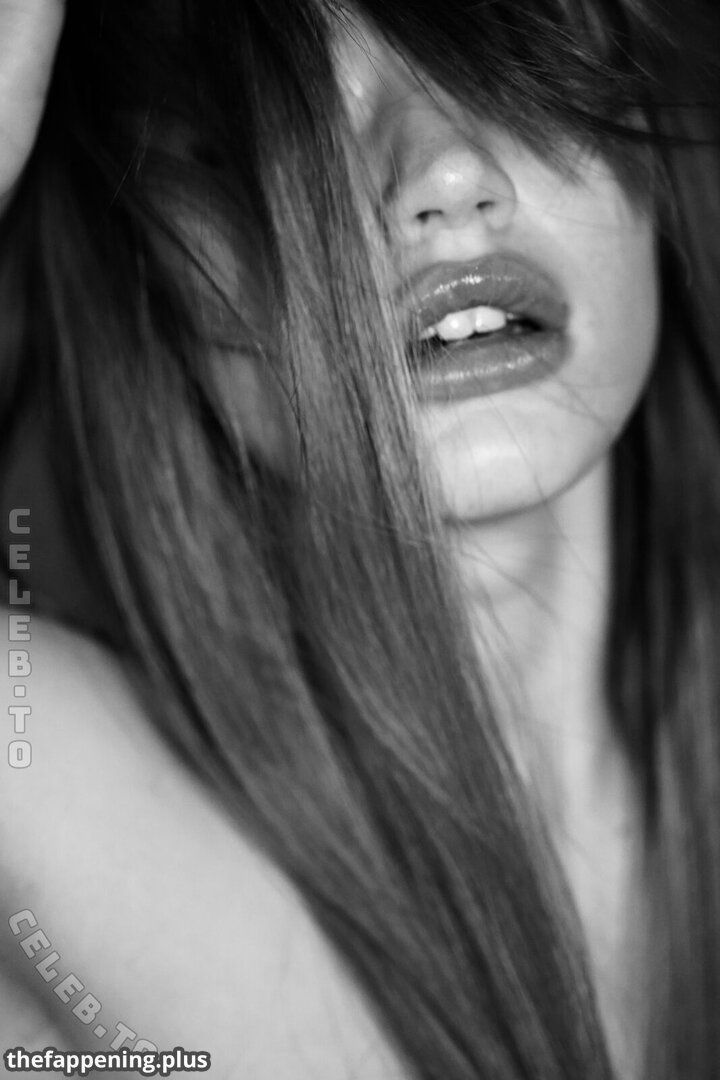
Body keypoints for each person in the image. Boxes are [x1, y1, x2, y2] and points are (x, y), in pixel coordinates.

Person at [0, 1, 718, 1077]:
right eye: (259, 116)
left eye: (511, 46)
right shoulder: (42, 797)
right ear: (138, 245)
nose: (446, 173)